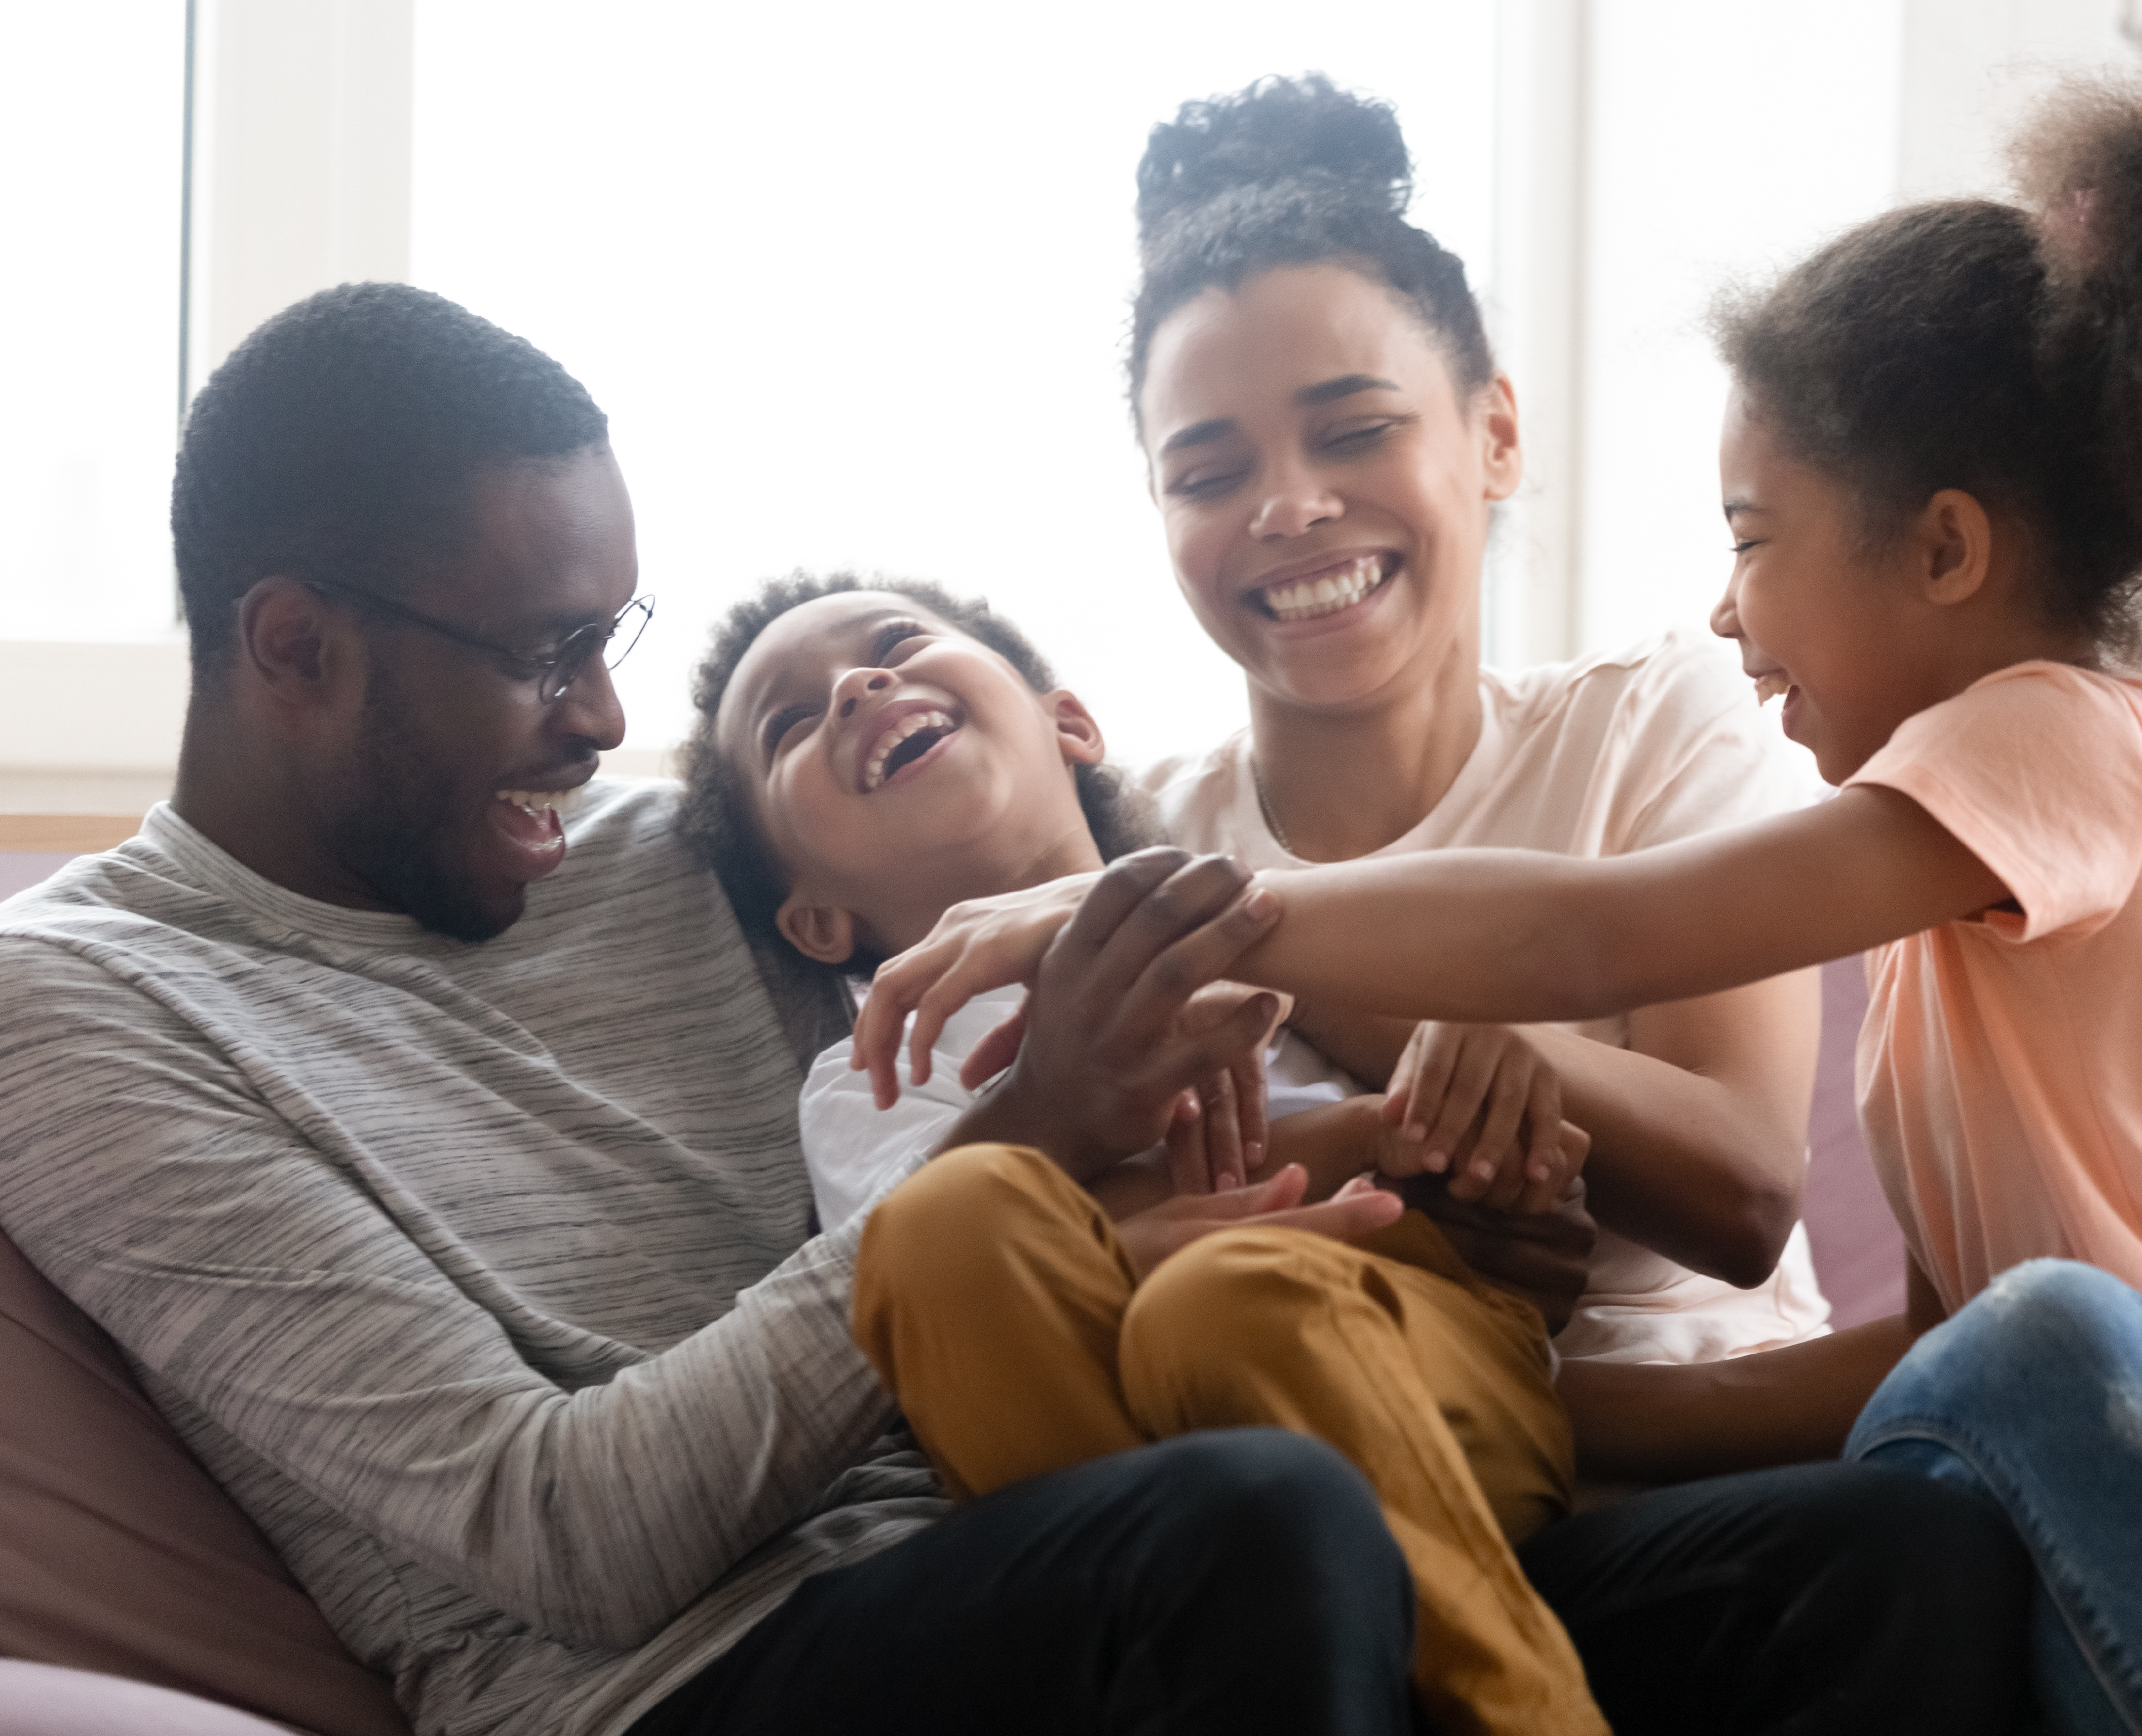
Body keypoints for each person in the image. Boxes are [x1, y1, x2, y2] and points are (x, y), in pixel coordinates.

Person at [859, 59, 2142, 1734]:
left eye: (1755, 539)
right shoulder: (1943, 957)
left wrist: (1185, 909)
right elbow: (1912, 1367)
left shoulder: (2069, 743)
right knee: (1997, 1374)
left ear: (1942, 551)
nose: (1722, 611)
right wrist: (1506, 1404)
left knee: (2041, 1348)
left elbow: (1594, 932)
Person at [0, 283, 1428, 1736]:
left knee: (1658, 1571)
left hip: (1043, 1528)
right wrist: (1032, 1129)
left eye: (611, 636)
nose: (606, 721)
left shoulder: (666, 847)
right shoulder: (83, 1003)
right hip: (678, 1682)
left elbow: (1048, 901)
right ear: (299, 649)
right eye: (544, 654)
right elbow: (560, 1531)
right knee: (1258, 1523)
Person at [680, 570, 1609, 1734]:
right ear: (814, 919)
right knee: (943, 1226)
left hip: (1408, 1368)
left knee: (1230, 1297)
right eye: (789, 724)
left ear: (1068, 724)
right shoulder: (872, 1078)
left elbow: (1451, 1138)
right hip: (1133, 1450)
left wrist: (1469, 1104)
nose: (860, 686)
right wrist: (1337, 1151)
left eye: (898, 642)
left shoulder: (1270, 928)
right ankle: (1196, 1639)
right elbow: (960, 1309)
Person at [1128, 75, 1833, 1369]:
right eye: (1210, 473)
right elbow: (1101, 1233)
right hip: (1332, 1460)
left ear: (1495, 436)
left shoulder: (1653, 717)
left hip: (1713, 1467)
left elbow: (1741, 1191)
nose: (1288, 506)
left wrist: (1498, 1049)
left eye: (1353, 430)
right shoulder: (1136, 832)